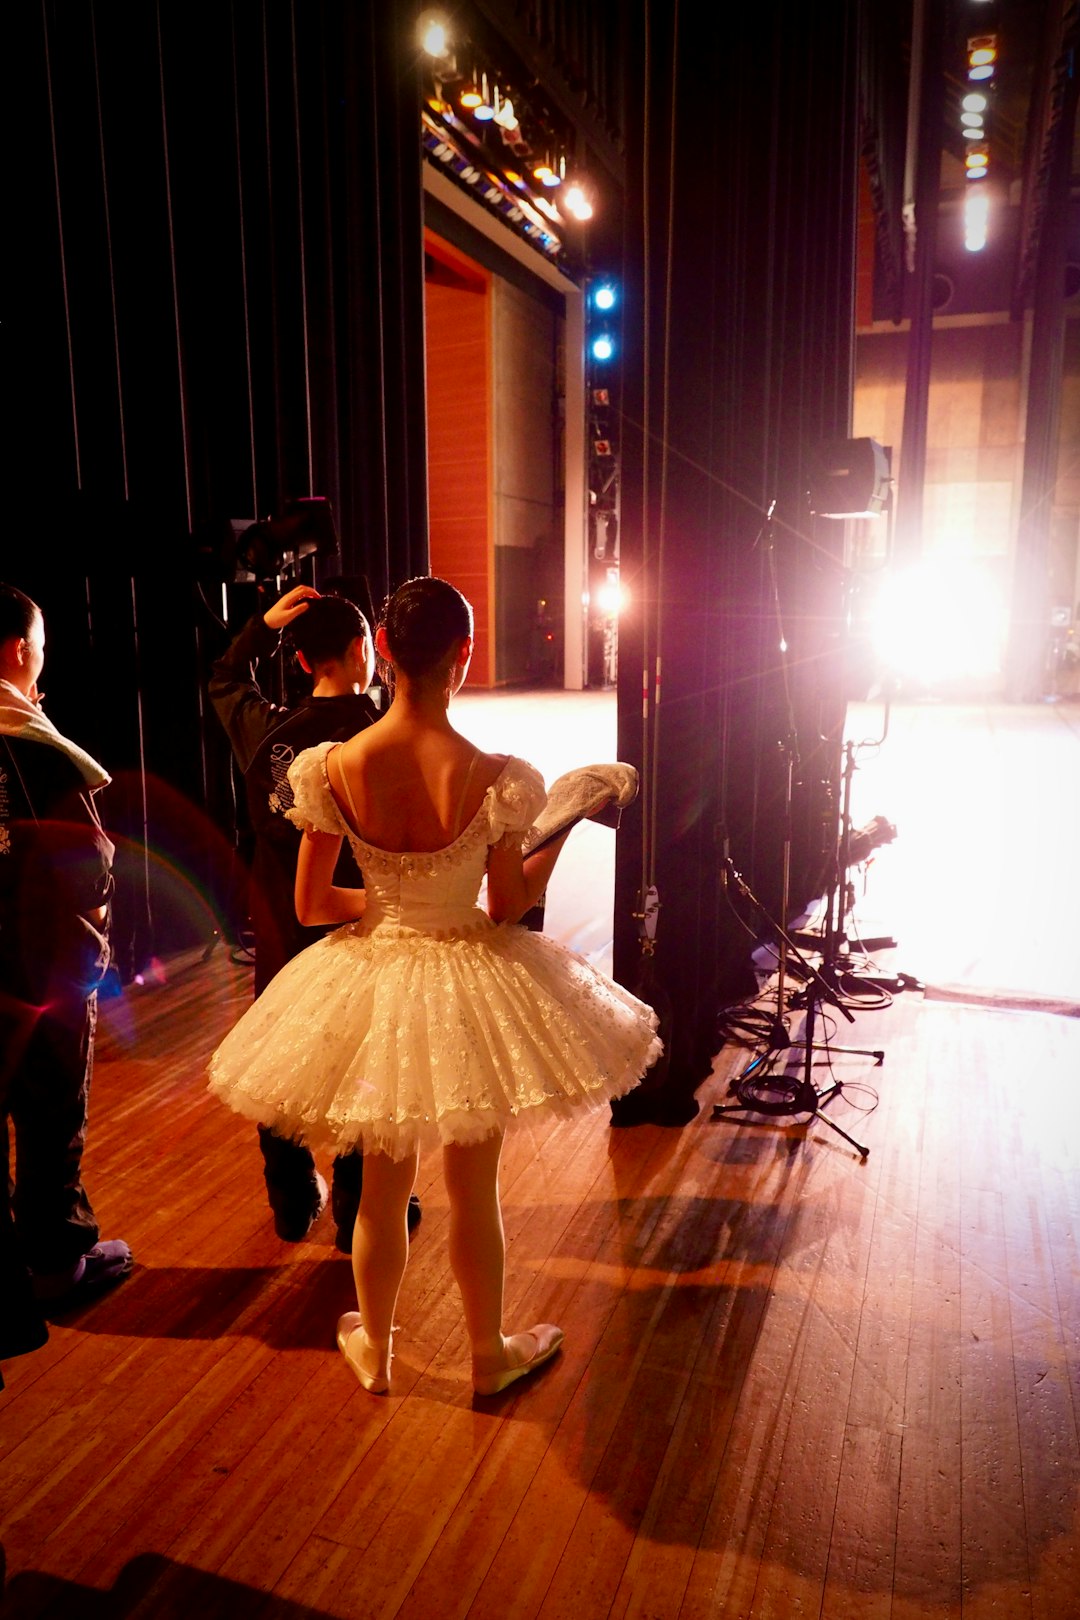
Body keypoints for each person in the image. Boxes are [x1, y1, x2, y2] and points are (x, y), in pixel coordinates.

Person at [208, 576, 661, 1396]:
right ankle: (488, 1355)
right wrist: (564, 823)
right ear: (466, 654)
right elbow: (507, 905)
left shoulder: (331, 767)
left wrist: (387, 901)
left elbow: (312, 904)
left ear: (382, 649)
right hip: (465, 970)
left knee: (381, 1185)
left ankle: (376, 1354)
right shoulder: (497, 774)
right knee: (472, 1185)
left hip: (373, 968)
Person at [210, 584, 419, 1246]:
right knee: (367, 1063)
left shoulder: (264, 732)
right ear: (366, 651)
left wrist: (260, 628)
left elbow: (221, 677)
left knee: (280, 1058)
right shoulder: (381, 737)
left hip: (279, 932)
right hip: (360, 934)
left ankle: (292, 1195)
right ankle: (358, 1203)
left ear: (300, 662)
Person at [0, 583, 132, 1326]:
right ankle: (56, 1262)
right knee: (50, 1116)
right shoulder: (33, 746)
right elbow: (88, 870)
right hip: (39, 971)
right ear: (20, 651)